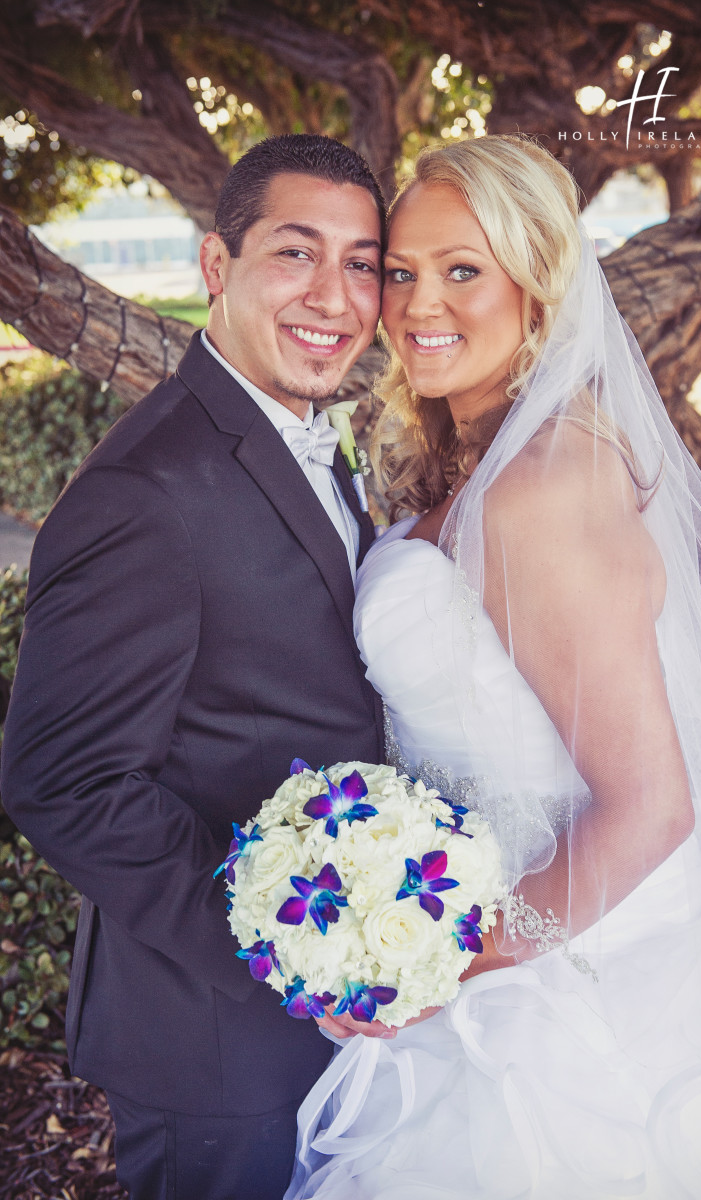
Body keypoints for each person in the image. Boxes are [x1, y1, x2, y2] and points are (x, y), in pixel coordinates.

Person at [288, 136, 701, 1199]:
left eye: (463, 270)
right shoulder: (500, 456)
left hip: (573, 986)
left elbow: (651, 807)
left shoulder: (538, 487)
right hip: (523, 926)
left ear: (539, 286)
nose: (418, 302)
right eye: (403, 271)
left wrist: (428, 965)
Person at [1, 133, 389, 1200]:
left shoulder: (309, 435)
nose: (336, 294)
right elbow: (65, 784)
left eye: (361, 261)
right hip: (217, 1039)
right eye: (295, 253)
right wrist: (290, 953)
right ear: (216, 267)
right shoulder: (146, 491)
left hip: (339, 1019)